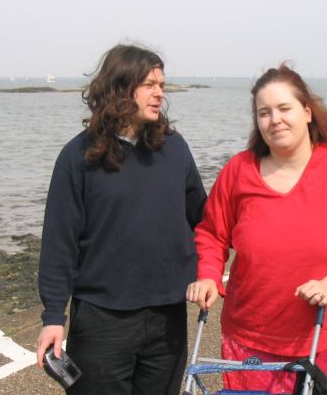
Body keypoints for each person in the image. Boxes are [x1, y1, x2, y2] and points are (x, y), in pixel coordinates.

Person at [186, 64, 327, 395]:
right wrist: (209, 275)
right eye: (264, 113)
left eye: (284, 108)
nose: (275, 120)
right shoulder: (238, 170)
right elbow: (212, 233)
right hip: (251, 339)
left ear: (307, 112)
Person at [36, 44, 207, 395]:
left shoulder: (174, 148)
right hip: (102, 320)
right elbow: (59, 244)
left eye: (162, 85)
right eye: (149, 84)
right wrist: (53, 316)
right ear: (119, 88)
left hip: (167, 317)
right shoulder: (78, 156)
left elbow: (204, 218)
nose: (159, 93)